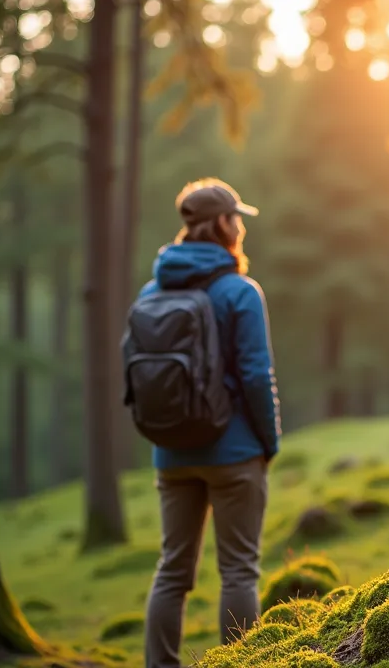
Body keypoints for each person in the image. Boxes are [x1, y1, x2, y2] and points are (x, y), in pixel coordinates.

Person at [138, 178, 282, 667]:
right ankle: (240, 664)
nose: (240, 226)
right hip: (235, 452)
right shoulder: (240, 292)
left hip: (171, 454)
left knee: (172, 572)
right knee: (239, 571)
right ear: (223, 224)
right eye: (236, 217)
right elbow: (256, 377)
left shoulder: (152, 291)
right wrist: (269, 442)